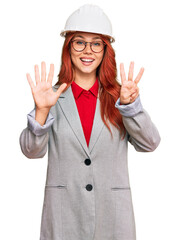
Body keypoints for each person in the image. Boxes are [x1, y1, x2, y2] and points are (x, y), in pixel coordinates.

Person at [19, 4, 161, 240]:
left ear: (106, 50)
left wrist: (130, 107)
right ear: (69, 47)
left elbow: (150, 143)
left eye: (96, 43)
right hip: (65, 216)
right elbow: (31, 151)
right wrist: (42, 110)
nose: (88, 50)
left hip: (112, 217)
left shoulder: (120, 97)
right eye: (79, 42)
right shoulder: (51, 96)